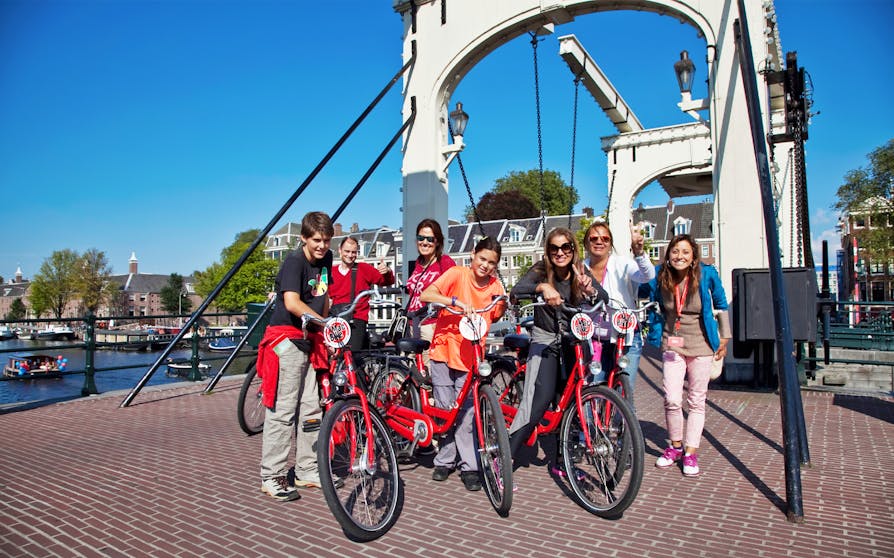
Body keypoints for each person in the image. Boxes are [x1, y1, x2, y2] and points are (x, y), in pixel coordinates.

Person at [508, 227, 608, 477]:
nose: (560, 252)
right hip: (546, 340)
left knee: (570, 401)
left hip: (574, 339)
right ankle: (505, 456)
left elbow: (603, 297)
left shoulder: (580, 271)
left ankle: (562, 461)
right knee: (538, 400)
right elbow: (517, 291)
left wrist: (590, 290)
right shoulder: (542, 269)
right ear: (548, 251)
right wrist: (542, 287)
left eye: (566, 247)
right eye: (554, 248)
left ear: (573, 249)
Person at [256, 211, 334, 501]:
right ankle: (271, 475)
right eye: (316, 240)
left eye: (326, 240)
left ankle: (306, 469)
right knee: (283, 410)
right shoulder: (294, 262)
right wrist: (325, 323)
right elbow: (292, 302)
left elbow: (323, 295)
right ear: (304, 238)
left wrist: (326, 327)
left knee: (312, 409)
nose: (321, 246)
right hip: (287, 340)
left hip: (311, 338)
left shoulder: (326, 259)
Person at [419, 237, 506, 491]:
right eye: (482, 259)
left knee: (467, 414)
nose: (485, 266)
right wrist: (454, 302)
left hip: (471, 357)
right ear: (473, 255)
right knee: (445, 408)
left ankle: (470, 465)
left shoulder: (496, 286)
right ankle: (444, 460)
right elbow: (427, 294)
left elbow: (498, 311)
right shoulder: (457, 274)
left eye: (492, 263)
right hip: (444, 350)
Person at [643, 234, 730, 477]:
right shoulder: (660, 275)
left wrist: (725, 337)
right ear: (668, 255)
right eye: (675, 251)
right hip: (672, 344)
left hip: (702, 345)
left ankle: (690, 452)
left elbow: (722, 305)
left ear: (693, 257)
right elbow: (639, 284)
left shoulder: (707, 274)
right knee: (671, 398)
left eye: (685, 252)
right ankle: (675, 446)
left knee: (696, 400)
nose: (679, 256)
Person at [582, 220, 655, 409]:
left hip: (625, 335)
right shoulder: (580, 268)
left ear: (610, 243)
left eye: (605, 238)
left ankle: (624, 434)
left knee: (625, 390)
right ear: (586, 243)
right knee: (594, 387)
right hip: (596, 338)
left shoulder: (623, 264)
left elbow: (647, 275)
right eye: (594, 238)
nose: (600, 241)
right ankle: (591, 433)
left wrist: (639, 252)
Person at [404, 218, 456, 372]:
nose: (424, 242)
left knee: (427, 370)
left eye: (430, 239)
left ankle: (430, 397)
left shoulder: (444, 262)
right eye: (420, 238)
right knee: (411, 370)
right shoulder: (418, 263)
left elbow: (455, 289)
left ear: (438, 242)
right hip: (412, 325)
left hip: (431, 325)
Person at [329, 236, 395, 352]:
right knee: (334, 357)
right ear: (340, 250)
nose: (350, 255)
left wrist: (387, 271)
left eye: (354, 252)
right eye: (347, 251)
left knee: (353, 356)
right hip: (336, 319)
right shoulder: (331, 272)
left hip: (356, 320)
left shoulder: (364, 269)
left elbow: (386, 281)